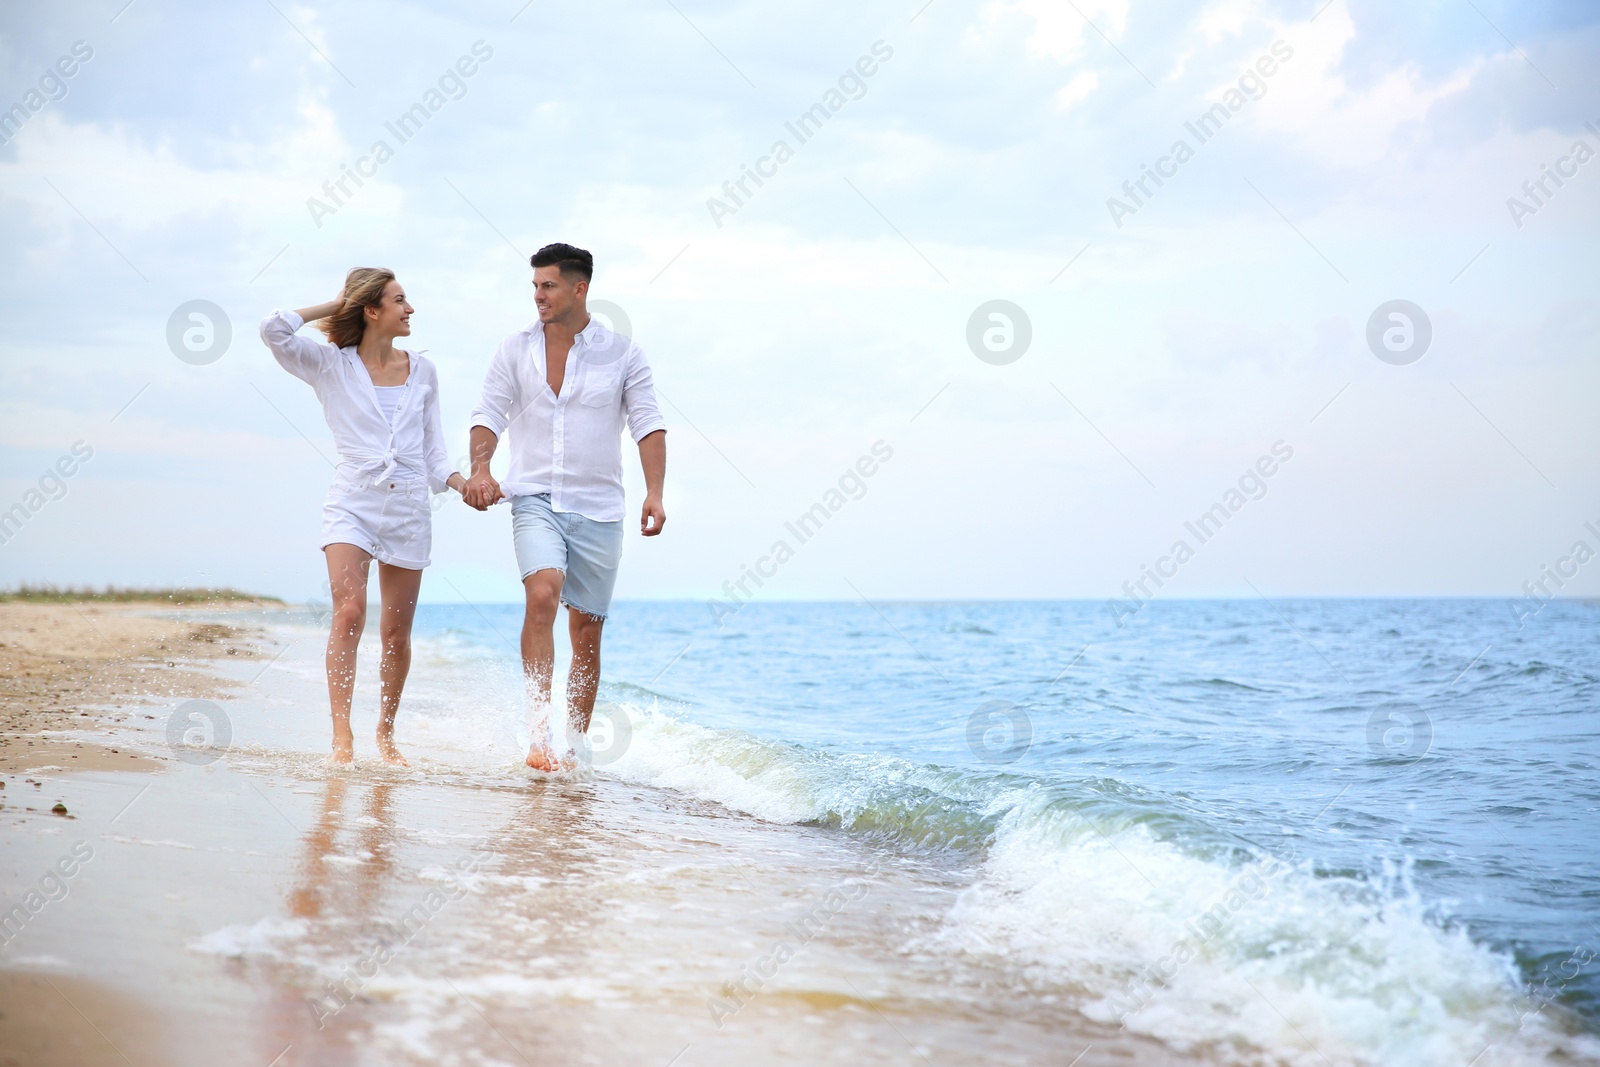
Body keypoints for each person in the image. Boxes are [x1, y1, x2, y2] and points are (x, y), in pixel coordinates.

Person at [463, 243, 667, 771]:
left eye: (548, 286)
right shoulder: (514, 349)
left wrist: (654, 492)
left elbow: (647, 423)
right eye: (534, 286)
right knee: (541, 593)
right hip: (534, 498)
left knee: (587, 635)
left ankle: (574, 745)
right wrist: (482, 469)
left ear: (580, 288)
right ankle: (538, 738)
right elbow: (488, 413)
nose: (538, 296)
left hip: (600, 508)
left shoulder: (623, 353)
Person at [260, 269, 471, 766]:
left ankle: (386, 732)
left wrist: (464, 486)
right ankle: (342, 737)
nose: (411, 309)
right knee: (350, 612)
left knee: (396, 634)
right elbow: (273, 328)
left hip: (409, 509)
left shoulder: (423, 371)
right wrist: (336, 305)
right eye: (400, 300)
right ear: (372, 310)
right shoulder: (330, 365)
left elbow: (435, 453)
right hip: (352, 501)